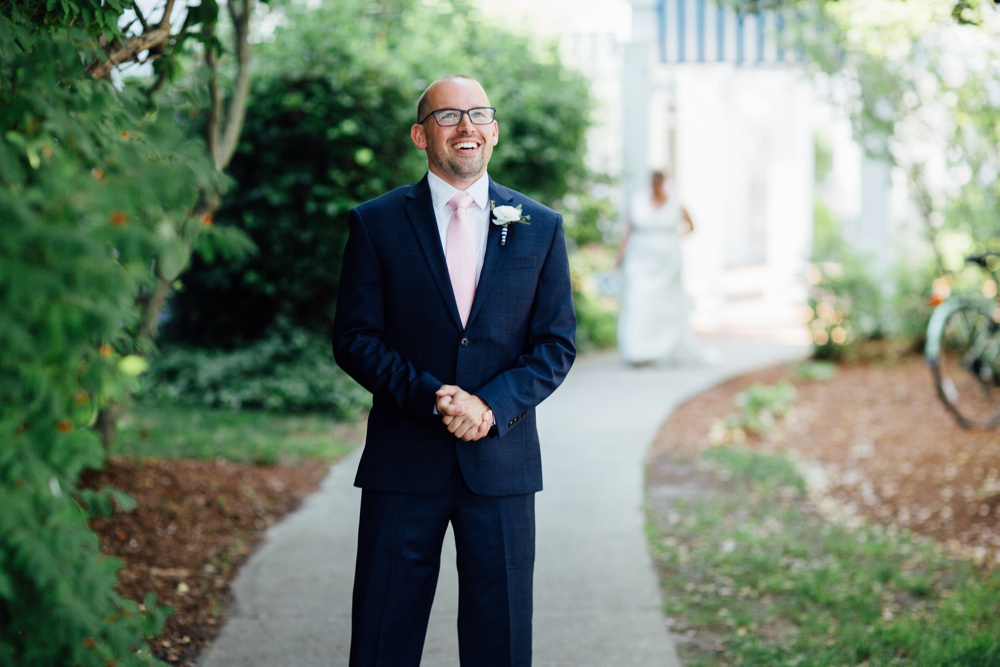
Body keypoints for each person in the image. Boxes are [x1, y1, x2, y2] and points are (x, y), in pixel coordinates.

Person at [332, 74, 577, 666]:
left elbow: (554, 345)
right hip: (404, 459)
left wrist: (488, 407)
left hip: (501, 463)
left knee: (502, 641)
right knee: (383, 635)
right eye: (447, 116)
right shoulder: (377, 222)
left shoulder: (538, 226)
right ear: (422, 134)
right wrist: (431, 398)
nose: (465, 126)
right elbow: (355, 338)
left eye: (477, 114)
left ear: (493, 131)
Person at [615, 169, 714, 367]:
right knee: (639, 300)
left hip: (668, 263)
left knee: (668, 304)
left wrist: (673, 239)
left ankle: (663, 348)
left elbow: (692, 226)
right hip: (641, 260)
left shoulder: (676, 203)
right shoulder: (638, 201)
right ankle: (638, 351)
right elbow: (629, 229)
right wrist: (619, 256)